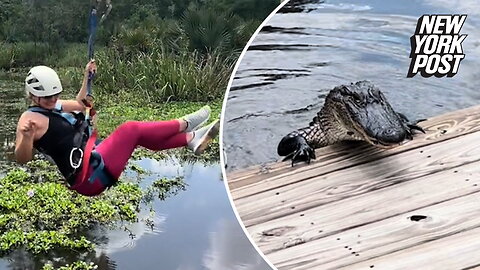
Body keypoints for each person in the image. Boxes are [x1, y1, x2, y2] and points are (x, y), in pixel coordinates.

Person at [15, 60, 220, 196]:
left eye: (55, 95)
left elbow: (80, 104)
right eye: (47, 97)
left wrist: (87, 76)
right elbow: (22, 159)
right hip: (88, 177)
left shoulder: (54, 106)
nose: (53, 100)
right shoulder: (29, 120)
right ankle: (184, 124)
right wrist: (26, 136)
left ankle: (190, 139)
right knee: (131, 130)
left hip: (94, 159)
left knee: (140, 138)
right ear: (32, 95)